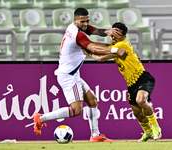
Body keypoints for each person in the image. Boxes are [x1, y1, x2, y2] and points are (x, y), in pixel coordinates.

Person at [33, 8, 127, 142]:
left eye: (87, 21)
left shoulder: (74, 27)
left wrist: (107, 32)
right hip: (68, 76)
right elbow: (93, 47)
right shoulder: (78, 34)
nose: (85, 24)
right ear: (75, 20)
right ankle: (41, 118)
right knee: (76, 110)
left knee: (92, 100)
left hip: (72, 74)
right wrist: (116, 49)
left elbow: (95, 31)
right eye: (83, 21)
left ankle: (95, 135)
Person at [83, 22, 162, 142]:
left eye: (117, 34)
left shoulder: (123, 45)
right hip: (131, 84)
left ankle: (156, 128)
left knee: (141, 100)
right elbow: (100, 56)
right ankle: (148, 131)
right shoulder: (114, 48)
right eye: (112, 34)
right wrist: (88, 51)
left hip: (143, 78)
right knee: (137, 113)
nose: (113, 37)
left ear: (124, 37)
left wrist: (87, 49)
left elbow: (100, 55)